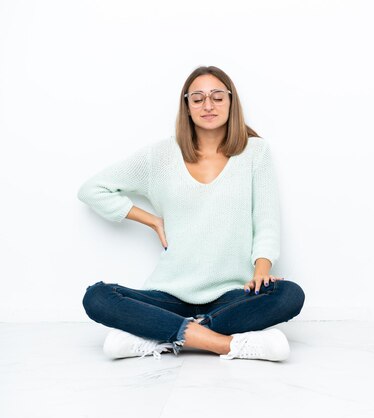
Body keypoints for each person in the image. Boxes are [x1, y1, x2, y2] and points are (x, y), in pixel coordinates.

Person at [78, 65, 305, 362]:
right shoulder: (159, 156)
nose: (207, 105)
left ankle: (160, 335)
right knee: (97, 297)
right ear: (186, 106)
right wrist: (151, 220)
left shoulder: (254, 152)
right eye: (197, 98)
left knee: (289, 295)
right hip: (168, 295)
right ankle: (225, 344)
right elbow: (92, 189)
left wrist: (261, 272)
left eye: (217, 97)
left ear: (231, 102)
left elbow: (266, 221)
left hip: (230, 296)